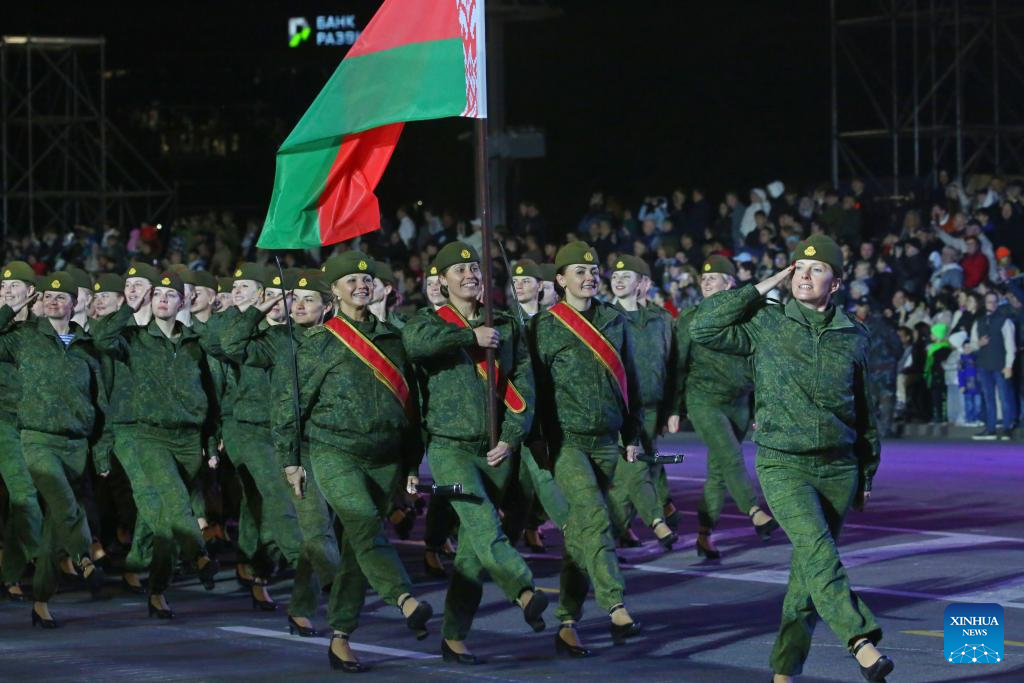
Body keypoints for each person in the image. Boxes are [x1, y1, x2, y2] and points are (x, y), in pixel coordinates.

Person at [690, 234, 892, 682]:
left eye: (817, 269)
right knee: (819, 552)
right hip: (783, 463)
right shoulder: (767, 321)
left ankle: (784, 672)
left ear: (835, 283)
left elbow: (863, 410)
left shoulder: (853, 334)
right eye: (798, 267)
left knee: (807, 573)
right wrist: (763, 285)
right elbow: (703, 326)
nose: (804, 274)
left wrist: (866, 473)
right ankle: (860, 639)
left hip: (838, 468)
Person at [269, 253, 433, 671]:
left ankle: (340, 635)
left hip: (385, 458)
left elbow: (412, 406)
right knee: (364, 525)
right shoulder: (319, 342)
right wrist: (291, 460)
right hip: (334, 451)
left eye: (366, 279)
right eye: (351, 280)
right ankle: (404, 598)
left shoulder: (395, 339)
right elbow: (289, 404)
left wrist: (411, 464)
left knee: (358, 547)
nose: (361, 285)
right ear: (334, 292)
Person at [403, 241, 548, 664]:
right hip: (450, 448)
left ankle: (453, 636)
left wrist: (511, 437)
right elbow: (416, 347)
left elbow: (523, 384)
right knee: (484, 524)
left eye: (474, 269)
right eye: (459, 270)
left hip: (496, 450)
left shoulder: (504, 323)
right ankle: (524, 590)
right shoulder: (427, 323)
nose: (469, 275)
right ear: (441, 280)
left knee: (471, 553)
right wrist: (470, 336)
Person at [532, 241, 643, 654]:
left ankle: (566, 622)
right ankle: (616, 604)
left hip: (607, 440)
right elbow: (533, 389)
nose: (589, 277)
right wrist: (537, 443)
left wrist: (633, 434)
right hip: (567, 442)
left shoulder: (613, 320)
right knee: (594, 517)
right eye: (579, 271)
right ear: (560, 279)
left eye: (593, 270)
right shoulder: (544, 327)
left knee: (583, 534)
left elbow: (629, 380)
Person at [90, 271, 220, 618]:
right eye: (157, 294)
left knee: (164, 522)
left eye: (170, 294)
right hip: (149, 436)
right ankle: (199, 554)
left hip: (188, 439)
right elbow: (102, 338)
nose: (163, 299)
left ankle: (157, 589)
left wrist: (210, 442)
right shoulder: (134, 339)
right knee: (175, 502)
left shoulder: (194, 343)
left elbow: (210, 394)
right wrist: (130, 307)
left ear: (182, 301)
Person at [0, 271, 108, 628]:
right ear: (38, 301)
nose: (53, 301)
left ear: (74, 304)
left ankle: (41, 600)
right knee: (63, 500)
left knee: (53, 527)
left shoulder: (87, 346)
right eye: (47, 296)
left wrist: (101, 451)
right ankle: (84, 557)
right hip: (37, 438)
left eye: (61, 297)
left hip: (75, 443)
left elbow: (100, 402)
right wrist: (11, 307)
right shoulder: (25, 337)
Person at [672, 255, 777, 559]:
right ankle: (755, 511)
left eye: (713, 277)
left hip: (739, 402)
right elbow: (678, 364)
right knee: (730, 456)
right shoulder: (691, 318)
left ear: (730, 283)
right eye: (703, 278)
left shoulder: (747, 316)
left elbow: (760, 362)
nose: (706, 282)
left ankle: (704, 534)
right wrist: (674, 408)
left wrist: (761, 407)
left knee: (719, 471)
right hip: (704, 399)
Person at [607, 255, 678, 549]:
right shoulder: (606, 318)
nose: (618, 280)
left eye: (627, 275)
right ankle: (657, 521)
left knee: (635, 471)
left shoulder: (661, 320)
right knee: (634, 466)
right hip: (620, 409)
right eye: (615, 276)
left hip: (651, 408)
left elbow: (672, 366)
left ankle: (614, 533)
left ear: (644, 283)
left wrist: (672, 410)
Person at [0, 261, 43, 602]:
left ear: (31, 291)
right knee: (23, 493)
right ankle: (45, 556)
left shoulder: (41, 330)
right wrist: (7, 311)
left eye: (14, 286)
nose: (7, 292)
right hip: (3, 422)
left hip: (34, 423)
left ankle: (11, 572)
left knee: (22, 499)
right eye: (2, 287)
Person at [969, 291, 1017, 440]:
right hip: (983, 364)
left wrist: (1009, 365)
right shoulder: (978, 322)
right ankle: (990, 428)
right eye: (989, 301)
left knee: (1004, 397)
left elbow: (1010, 346)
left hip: (1000, 364)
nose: (993, 304)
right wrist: (979, 343)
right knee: (988, 397)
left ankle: (1007, 428)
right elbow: (972, 344)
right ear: (985, 303)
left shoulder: (1005, 321)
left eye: (995, 301)